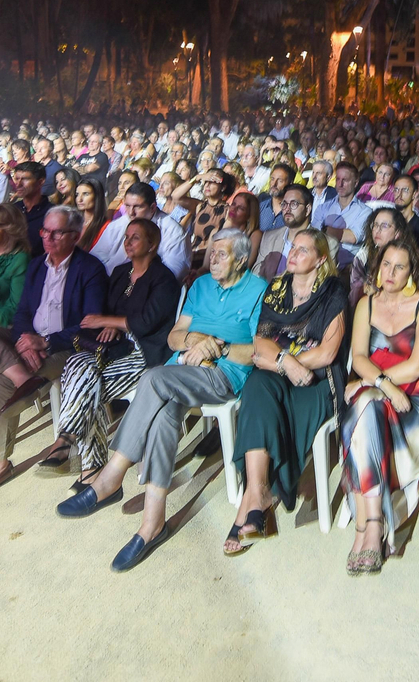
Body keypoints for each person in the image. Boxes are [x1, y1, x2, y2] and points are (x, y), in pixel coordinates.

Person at [56, 228, 266, 572]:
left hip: (222, 373)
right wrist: (195, 338)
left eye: (222, 254)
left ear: (242, 260)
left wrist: (220, 346)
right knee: (165, 412)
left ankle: (110, 478)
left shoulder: (258, 290)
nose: (212, 259)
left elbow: (257, 351)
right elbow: (173, 337)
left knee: (151, 379)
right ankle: (152, 524)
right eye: (211, 253)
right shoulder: (200, 287)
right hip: (180, 369)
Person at [221, 229, 353, 558]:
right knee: (256, 387)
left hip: (320, 380)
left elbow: (326, 353)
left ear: (321, 259)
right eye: (293, 247)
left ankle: (251, 502)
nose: (293, 254)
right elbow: (261, 343)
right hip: (280, 370)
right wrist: (284, 363)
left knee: (266, 393)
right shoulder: (277, 288)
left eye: (303, 250)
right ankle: (260, 492)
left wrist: (283, 361)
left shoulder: (333, 290)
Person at [34, 217, 179, 479]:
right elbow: (107, 311)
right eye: (125, 237)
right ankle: (82, 459)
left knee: (87, 385)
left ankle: (72, 446)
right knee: (77, 366)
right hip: (111, 348)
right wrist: (112, 324)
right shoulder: (120, 274)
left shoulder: (164, 279)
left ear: (152, 243)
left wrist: (111, 322)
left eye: (135, 237)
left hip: (143, 353)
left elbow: (146, 323)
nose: (127, 242)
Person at [336, 237, 419, 574]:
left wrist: (373, 384)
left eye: (400, 266)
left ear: (412, 270)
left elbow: (416, 365)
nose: (391, 272)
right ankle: (373, 523)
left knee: (361, 406)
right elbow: (357, 357)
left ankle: (366, 526)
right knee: (367, 406)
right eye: (386, 264)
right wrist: (381, 385)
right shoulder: (366, 304)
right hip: (380, 391)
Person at [92, 183, 189, 281]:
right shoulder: (117, 225)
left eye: (137, 207)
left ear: (152, 208)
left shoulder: (173, 231)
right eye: (127, 206)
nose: (130, 212)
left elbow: (174, 272)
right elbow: (96, 258)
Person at [253, 183, 331, 281]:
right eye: (284, 204)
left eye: (294, 204)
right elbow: (256, 275)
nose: (287, 209)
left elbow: (323, 282)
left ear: (307, 209)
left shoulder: (327, 243)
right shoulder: (269, 237)